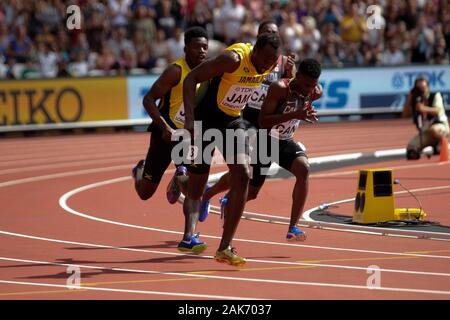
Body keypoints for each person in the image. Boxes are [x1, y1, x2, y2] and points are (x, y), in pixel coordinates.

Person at [182, 33, 282, 266]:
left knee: (244, 174)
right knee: (195, 187)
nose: (267, 64)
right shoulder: (233, 59)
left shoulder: (271, 64)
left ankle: (224, 247)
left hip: (232, 121)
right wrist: (189, 120)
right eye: (265, 58)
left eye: (272, 61)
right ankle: (181, 183)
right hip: (205, 121)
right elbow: (191, 79)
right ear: (254, 50)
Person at [201, 20, 295, 226]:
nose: (271, 35)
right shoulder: (247, 57)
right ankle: (211, 197)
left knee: (253, 189)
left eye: (275, 33)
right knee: (243, 168)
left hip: (268, 125)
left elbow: (290, 94)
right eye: (267, 32)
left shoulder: (285, 63)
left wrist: (289, 75)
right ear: (259, 38)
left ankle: (217, 194)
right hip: (246, 117)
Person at [131, 26, 209, 253]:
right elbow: (148, 100)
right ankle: (139, 172)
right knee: (145, 193)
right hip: (166, 136)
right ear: (186, 49)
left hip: (190, 137)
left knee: (194, 184)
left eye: (205, 47)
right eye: (197, 47)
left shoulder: (210, 71)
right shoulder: (175, 71)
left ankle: (189, 237)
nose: (202, 51)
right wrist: (164, 127)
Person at [404, 77, 449, 159]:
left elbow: (437, 110)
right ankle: (433, 147)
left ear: (428, 87)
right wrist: (409, 100)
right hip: (426, 132)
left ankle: (444, 145)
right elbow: (405, 115)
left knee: (434, 130)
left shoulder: (435, 95)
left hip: (440, 126)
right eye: (419, 88)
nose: (422, 90)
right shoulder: (416, 100)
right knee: (411, 148)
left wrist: (423, 108)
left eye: (423, 88)